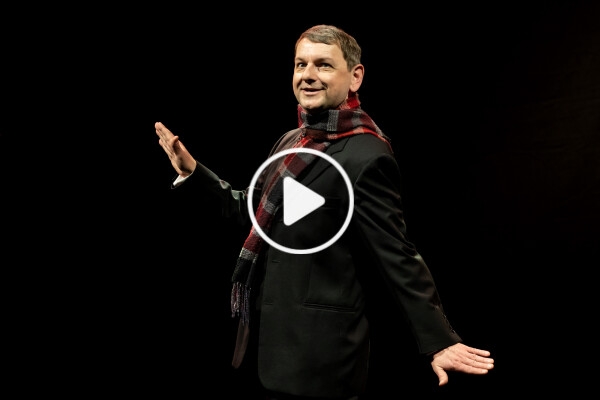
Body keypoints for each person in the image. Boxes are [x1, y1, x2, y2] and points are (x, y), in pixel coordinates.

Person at [155, 24, 494, 399]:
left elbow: (397, 255)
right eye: (301, 64)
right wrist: (193, 173)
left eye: (324, 65)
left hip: (320, 361)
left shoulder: (367, 155)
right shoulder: (292, 141)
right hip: (265, 346)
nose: (308, 75)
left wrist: (438, 340)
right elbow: (253, 212)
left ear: (355, 77)